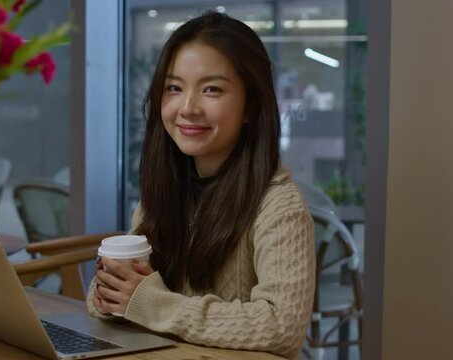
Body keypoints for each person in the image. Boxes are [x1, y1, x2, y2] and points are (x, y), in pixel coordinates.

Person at [87, 11, 315, 359]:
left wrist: (153, 305)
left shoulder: (279, 206)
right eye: (174, 88)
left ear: (250, 106)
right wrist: (110, 293)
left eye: (212, 89)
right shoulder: (163, 191)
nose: (188, 108)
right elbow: (106, 303)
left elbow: (282, 328)